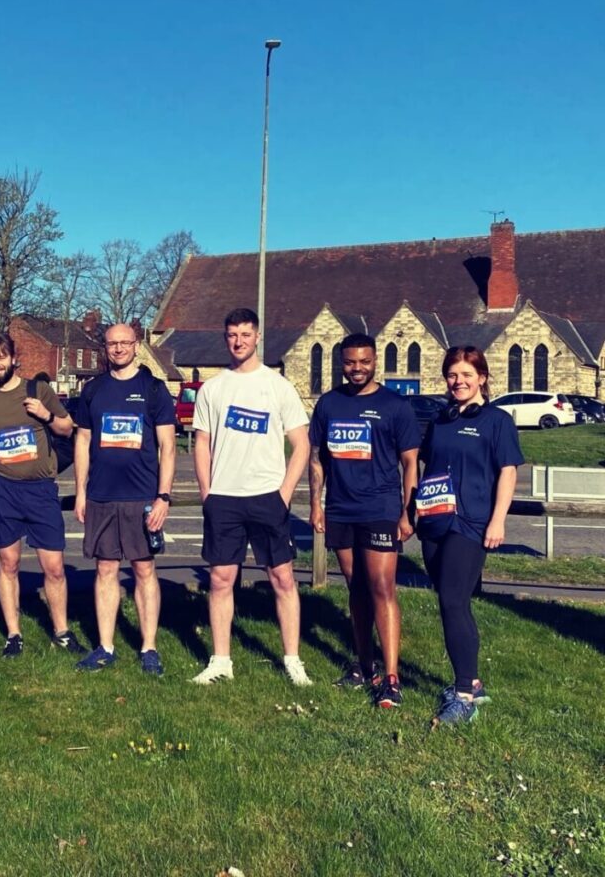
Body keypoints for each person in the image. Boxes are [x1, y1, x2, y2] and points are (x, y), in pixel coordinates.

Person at [191, 308, 313, 686]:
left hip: (267, 497)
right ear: (225, 338)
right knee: (221, 579)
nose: (239, 341)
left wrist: (284, 493)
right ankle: (220, 661)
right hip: (224, 498)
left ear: (257, 337)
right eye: (232, 335)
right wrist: (207, 492)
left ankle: (292, 660)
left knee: (282, 579)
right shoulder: (213, 389)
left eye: (245, 334)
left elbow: (302, 443)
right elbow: (201, 442)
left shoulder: (277, 386)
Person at [308, 333, 420, 707]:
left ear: (375, 362)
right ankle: (364, 665)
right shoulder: (329, 404)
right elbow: (317, 459)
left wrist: (408, 512)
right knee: (356, 589)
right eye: (350, 362)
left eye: (365, 362)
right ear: (342, 363)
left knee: (382, 587)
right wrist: (316, 504)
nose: (357, 368)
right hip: (341, 510)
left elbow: (410, 463)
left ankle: (391, 678)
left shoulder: (395, 406)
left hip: (381, 509)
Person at [416, 346, 522, 726]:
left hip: (472, 522)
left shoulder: (496, 421)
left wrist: (498, 521)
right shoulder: (440, 420)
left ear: (482, 378)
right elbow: (427, 465)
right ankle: (472, 681)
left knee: (453, 599)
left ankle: (463, 696)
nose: (458, 382)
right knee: (452, 603)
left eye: (466, 375)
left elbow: (508, 471)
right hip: (434, 522)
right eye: (452, 375)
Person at [0, 333, 85, 657]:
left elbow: (67, 428)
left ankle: (61, 632)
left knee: (54, 567)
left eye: (0, 357)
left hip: (41, 490)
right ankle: (14, 634)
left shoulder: (38, 390)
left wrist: (46, 415)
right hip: (4, 491)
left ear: (13, 358)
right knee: (9, 563)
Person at [73, 323, 176, 675]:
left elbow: (168, 446)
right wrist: (81, 491)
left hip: (142, 497)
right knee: (105, 569)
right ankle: (105, 647)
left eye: (124, 343)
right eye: (112, 344)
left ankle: (149, 648)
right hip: (101, 496)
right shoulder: (93, 390)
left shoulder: (153, 389)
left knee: (144, 569)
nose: (118, 349)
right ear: (105, 347)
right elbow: (82, 441)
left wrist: (163, 497)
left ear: (136, 345)